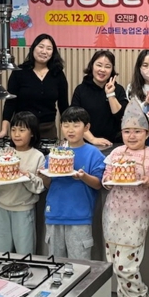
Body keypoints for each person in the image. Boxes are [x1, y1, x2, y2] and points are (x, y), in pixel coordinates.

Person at [102, 99, 149, 296]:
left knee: (127, 267)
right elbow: (106, 180)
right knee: (115, 263)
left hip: (136, 217)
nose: (131, 136)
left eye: (137, 131)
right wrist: (110, 179)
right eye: (127, 131)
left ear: (147, 133)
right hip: (112, 214)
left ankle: (141, 294)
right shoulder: (116, 153)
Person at [39, 106, 105, 260]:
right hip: (54, 214)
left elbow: (98, 184)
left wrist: (83, 177)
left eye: (76, 125)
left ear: (86, 127)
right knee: (55, 264)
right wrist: (43, 177)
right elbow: (49, 184)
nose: (70, 130)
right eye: (66, 125)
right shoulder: (55, 153)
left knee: (79, 265)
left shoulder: (93, 153)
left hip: (79, 217)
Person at [0, 111, 45, 254]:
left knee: (25, 253)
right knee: (1, 252)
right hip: (2, 207)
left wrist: (26, 175)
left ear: (32, 133)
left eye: (22, 130)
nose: (16, 134)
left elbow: (40, 186)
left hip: (24, 209)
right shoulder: (4, 153)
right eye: (13, 130)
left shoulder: (37, 156)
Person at [0, 33, 69, 140]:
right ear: (33, 48)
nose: (44, 51)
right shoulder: (19, 72)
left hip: (48, 129)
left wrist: (68, 130)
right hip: (22, 128)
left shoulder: (58, 74)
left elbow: (64, 106)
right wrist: (4, 129)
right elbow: (10, 103)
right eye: (41, 47)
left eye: (49, 48)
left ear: (53, 53)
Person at [71, 50, 128, 147]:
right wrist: (93, 139)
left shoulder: (118, 90)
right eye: (99, 65)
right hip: (86, 144)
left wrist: (110, 94)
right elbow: (74, 119)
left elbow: (122, 117)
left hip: (114, 144)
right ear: (92, 66)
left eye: (107, 66)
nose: (102, 70)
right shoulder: (80, 90)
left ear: (112, 70)